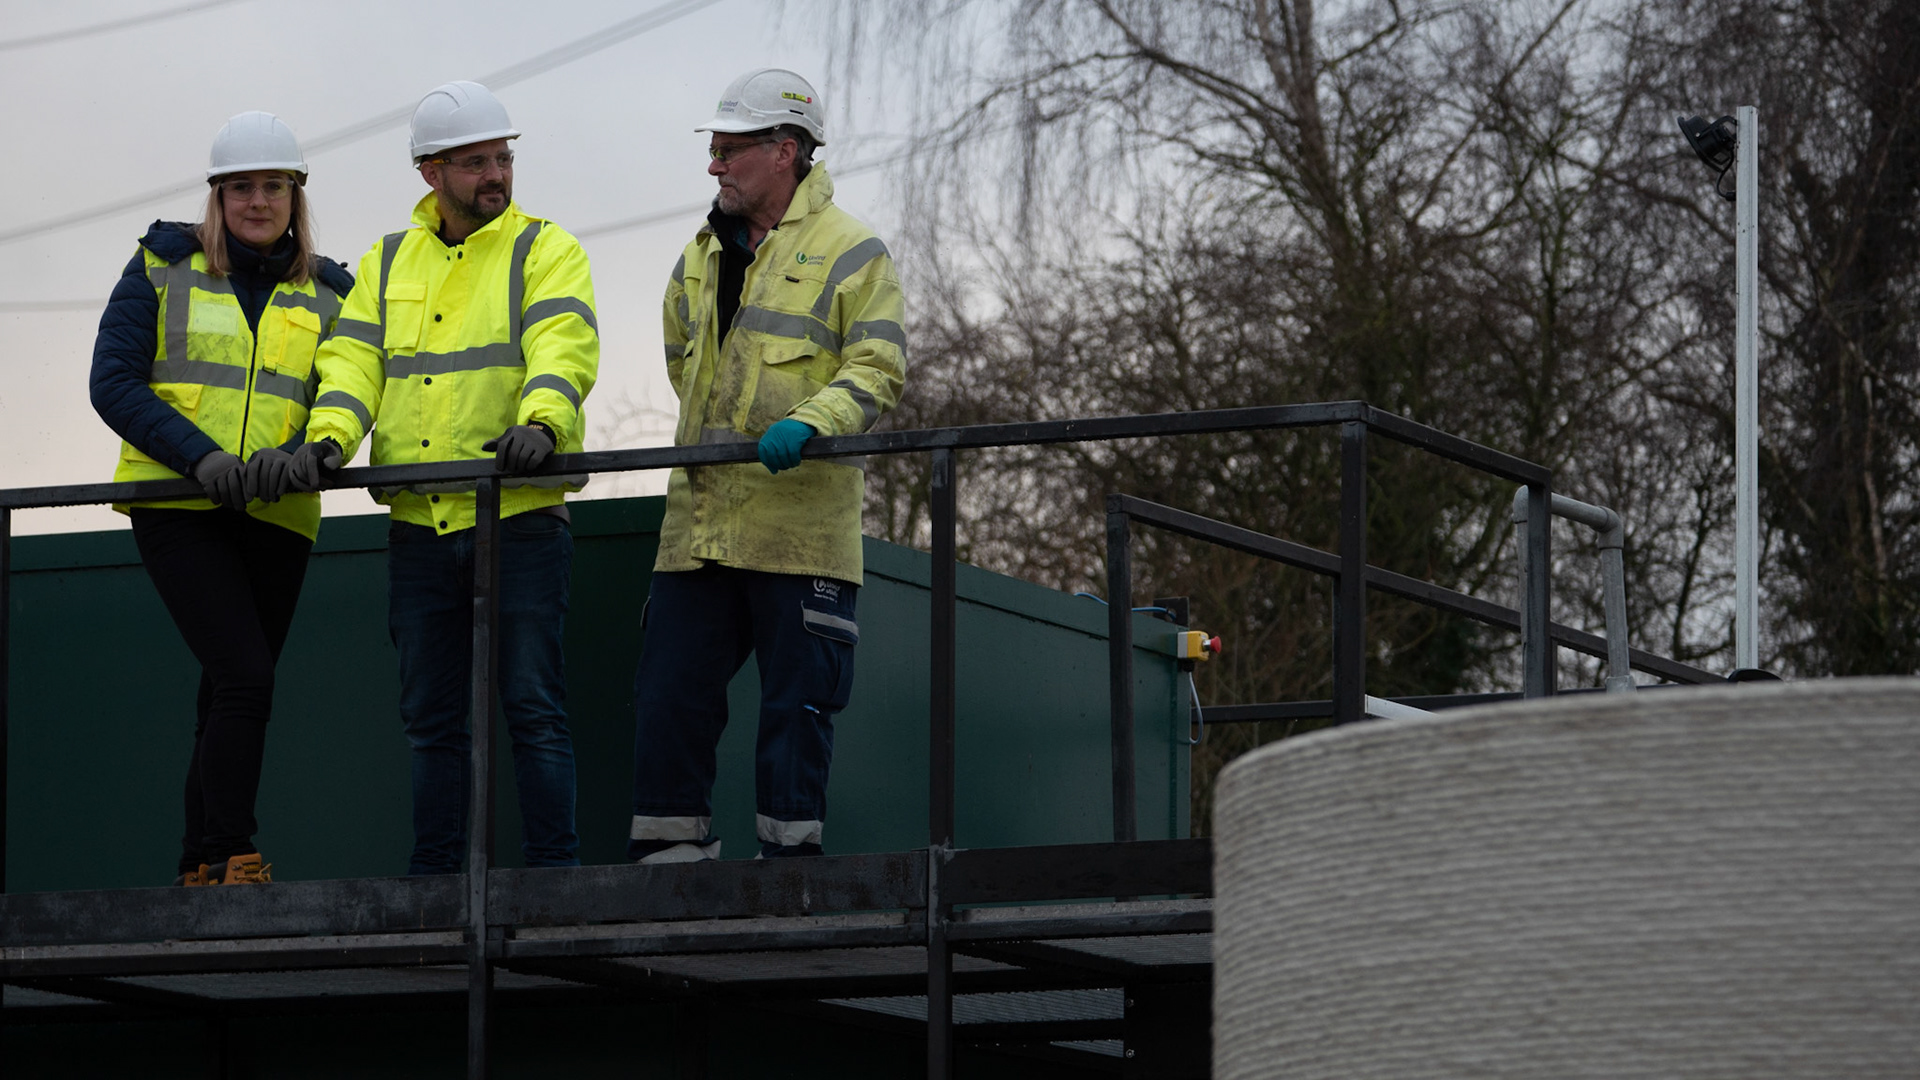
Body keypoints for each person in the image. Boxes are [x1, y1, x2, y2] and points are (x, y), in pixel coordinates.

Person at [278, 81, 599, 875]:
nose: (496, 175)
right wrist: (327, 440)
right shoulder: (388, 260)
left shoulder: (545, 248)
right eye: (476, 162)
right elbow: (352, 365)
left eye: (503, 158)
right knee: (431, 722)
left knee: (534, 710)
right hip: (421, 524)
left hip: (520, 515)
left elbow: (563, 343)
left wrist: (543, 425)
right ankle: (437, 886)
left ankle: (552, 883)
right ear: (431, 172)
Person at [628, 69, 907, 863]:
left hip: (799, 533)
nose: (714, 164)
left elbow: (878, 368)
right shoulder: (698, 257)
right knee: (668, 701)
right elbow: (685, 364)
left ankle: (788, 881)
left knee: (798, 710)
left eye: (729, 149)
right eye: (714, 149)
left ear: (785, 152)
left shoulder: (853, 252)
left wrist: (810, 421)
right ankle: (668, 874)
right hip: (698, 531)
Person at [89, 111, 354, 886]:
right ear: (217, 195)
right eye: (241, 187)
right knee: (245, 677)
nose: (258, 201)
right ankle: (236, 855)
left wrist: (300, 454)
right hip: (178, 506)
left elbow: (344, 393)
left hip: (280, 514)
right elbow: (112, 381)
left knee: (225, 690)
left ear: (296, 196)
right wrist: (201, 459)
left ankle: (198, 866)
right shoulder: (160, 265)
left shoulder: (333, 291)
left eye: (274, 186)